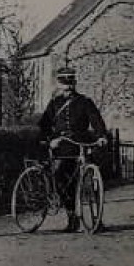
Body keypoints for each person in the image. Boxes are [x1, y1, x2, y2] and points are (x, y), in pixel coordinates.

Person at [36, 66, 109, 232]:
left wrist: (101, 136)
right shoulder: (55, 104)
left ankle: (97, 217)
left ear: (74, 83)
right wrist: (49, 140)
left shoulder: (84, 102)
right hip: (62, 147)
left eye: (70, 84)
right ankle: (72, 217)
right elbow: (44, 125)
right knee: (60, 177)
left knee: (93, 178)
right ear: (59, 85)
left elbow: (96, 121)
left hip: (81, 145)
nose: (67, 87)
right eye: (64, 84)